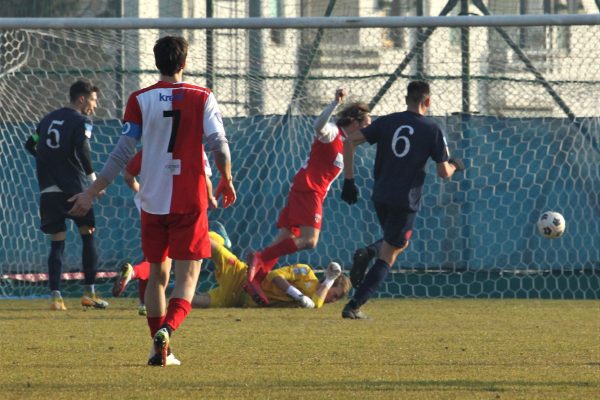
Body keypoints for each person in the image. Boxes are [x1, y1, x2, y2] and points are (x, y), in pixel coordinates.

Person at [68, 36, 236, 366]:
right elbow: (218, 143)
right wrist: (226, 178)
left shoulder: (139, 99)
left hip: (152, 202)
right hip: (189, 200)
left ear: (156, 63)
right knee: (188, 277)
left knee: (157, 277)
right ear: (184, 63)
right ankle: (168, 331)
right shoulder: (202, 96)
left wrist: (91, 191)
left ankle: (158, 349)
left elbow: (122, 152)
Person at [340, 80, 465, 319]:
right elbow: (443, 173)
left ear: (405, 99)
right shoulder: (432, 129)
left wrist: (349, 180)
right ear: (427, 101)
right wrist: (456, 165)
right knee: (390, 253)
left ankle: (368, 254)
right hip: (405, 199)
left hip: (381, 195)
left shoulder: (387, 121)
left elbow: (349, 141)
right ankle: (354, 305)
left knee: (396, 243)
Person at [245, 88, 371, 306]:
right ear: (355, 123)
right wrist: (334, 104)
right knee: (309, 240)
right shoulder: (333, 132)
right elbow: (318, 126)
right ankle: (260, 258)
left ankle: (255, 278)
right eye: (367, 126)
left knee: (286, 237)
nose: (369, 132)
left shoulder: (347, 145)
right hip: (309, 189)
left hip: (307, 190)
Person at [24, 79, 108, 311]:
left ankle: (55, 298)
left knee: (57, 243)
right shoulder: (82, 121)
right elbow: (82, 148)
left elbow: (30, 144)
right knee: (87, 234)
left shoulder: (47, 120)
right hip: (75, 191)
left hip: (49, 192)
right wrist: (93, 181)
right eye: (92, 100)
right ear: (81, 99)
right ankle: (89, 293)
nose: (94, 105)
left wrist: (49, 162)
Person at [112, 149, 224, 316]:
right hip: (181, 209)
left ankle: (142, 296)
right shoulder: (193, 146)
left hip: (151, 206)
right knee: (181, 272)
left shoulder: (153, 144)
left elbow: (128, 176)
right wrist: (211, 198)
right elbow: (204, 178)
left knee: (155, 260)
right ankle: (167, 322)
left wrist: (142, 191)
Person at [193, 232, 351, 309]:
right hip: (242, 277)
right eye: (334, 294)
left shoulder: (314, 300)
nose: (333, 299)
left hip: (239, 299)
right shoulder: (306, 273)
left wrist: (329, 280)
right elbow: (275, 275)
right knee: (213, 247)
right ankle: (208, 234)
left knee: (195, 302)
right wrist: (298, 295)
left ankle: (172, 293)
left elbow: (316, 305)